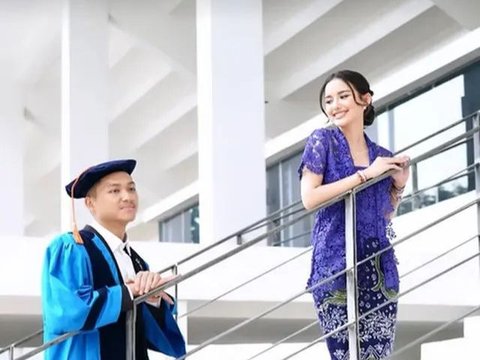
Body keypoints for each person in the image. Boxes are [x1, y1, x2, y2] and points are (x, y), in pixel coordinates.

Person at [298, 70, 410, 359]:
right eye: (329, 100)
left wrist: (398, 186)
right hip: (335, 267)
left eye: (343, 96)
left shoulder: (381, 154)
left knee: (377, 355)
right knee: (345, 355)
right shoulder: (322, 140)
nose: (335, 105)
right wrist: (365, 176)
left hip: (379, 269)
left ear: (365, 99)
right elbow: (309, 198)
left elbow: (382, 216)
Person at [41, 159, 186, 360]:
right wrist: (129, 292)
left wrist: (152, 299)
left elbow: (146, 333)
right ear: (90, 203)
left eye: (131, 189)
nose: (127, 197)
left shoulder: (136, 261)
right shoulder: (72, 249)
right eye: (115, 191)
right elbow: (67, 311)